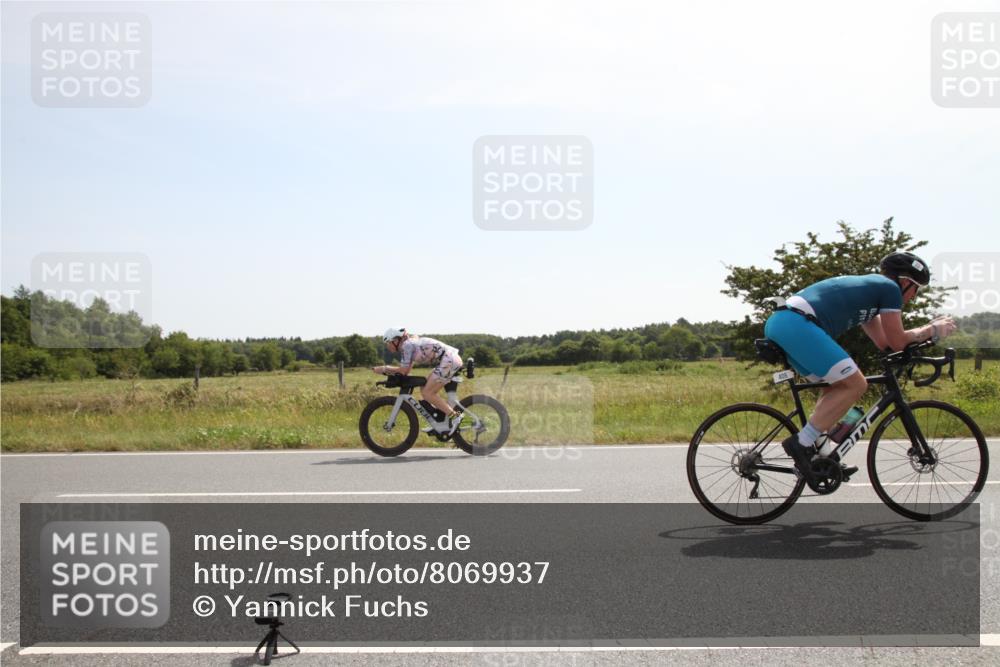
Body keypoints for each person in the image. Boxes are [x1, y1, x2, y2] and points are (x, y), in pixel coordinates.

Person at [763, 251, 957, 478]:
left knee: (836, 386)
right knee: (856, 384)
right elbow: (898, 341)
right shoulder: (890, 288)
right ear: (906, 282)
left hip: (784, 323)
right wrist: (932, 329)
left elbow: (886, 344)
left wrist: (921, 341)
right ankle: (801, 443)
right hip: (796, 323)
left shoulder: (871, 301)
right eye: (916, 290)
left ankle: (821, 457)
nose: (913, 297)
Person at [373, 328, 464, 434]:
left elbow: (403, 370)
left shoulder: (407, 345)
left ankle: (456, 417)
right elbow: (406, 370)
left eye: (388, 342)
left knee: (428, 393)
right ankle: (440, 422)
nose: (387, 346)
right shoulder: (408, 345)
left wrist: (384, 369)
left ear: (396, 340)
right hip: (448, 360)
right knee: (424, 388)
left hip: (449, 360)